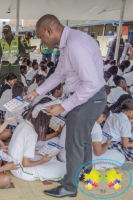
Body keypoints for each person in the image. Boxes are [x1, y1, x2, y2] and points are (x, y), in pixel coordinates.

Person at [26, 14, 106, 198]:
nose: (42, 43)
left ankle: (70, 186)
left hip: (89, 98)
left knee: (73, 143)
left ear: (49, 30)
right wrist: (37, 92)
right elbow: (58, 74)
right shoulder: (68, 43)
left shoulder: (76, 45)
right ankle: (84, 173)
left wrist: (64, 106)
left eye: (41, 37)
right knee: (83, 140)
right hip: (85, 97)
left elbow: (91, 84)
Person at [8, 98, 66, 181]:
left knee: (52, 161)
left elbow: (23, 150)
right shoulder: (31, 133)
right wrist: (43, 161)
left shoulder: (24, 123)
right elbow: (26, 164)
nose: (53, 115)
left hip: (15, 164)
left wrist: (40, 153)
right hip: (22, 170)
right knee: (65, 168)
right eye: (51, 111)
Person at [0, 25, 26, 92]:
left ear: (10, 32)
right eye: (4, 33)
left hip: (15, 64)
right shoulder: (2, 42)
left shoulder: (17, 40)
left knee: (18, 80)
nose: (5, 34)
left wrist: (19, 56)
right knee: (0, 80)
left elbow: (23, 51)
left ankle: (20, 95)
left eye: (6, 33)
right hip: (5, 64)